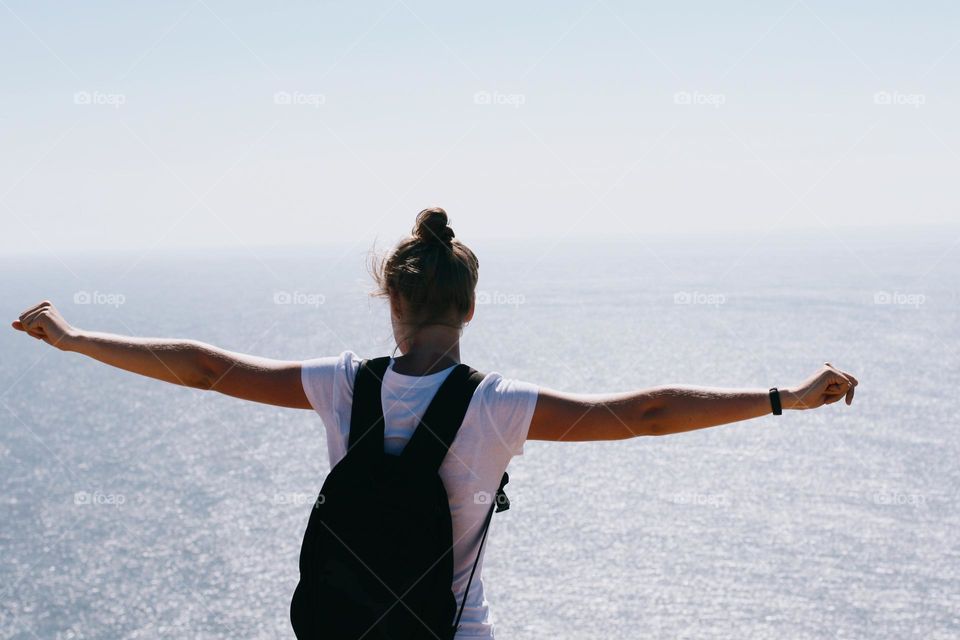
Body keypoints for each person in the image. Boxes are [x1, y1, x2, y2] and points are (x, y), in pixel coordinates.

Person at [12, 207, 858, 638]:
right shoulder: (498, 407)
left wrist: (77, 339)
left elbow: (204, 367)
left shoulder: (343, 385)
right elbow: (643, 413)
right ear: (472, 306)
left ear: (392, 301)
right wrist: (780, 396)